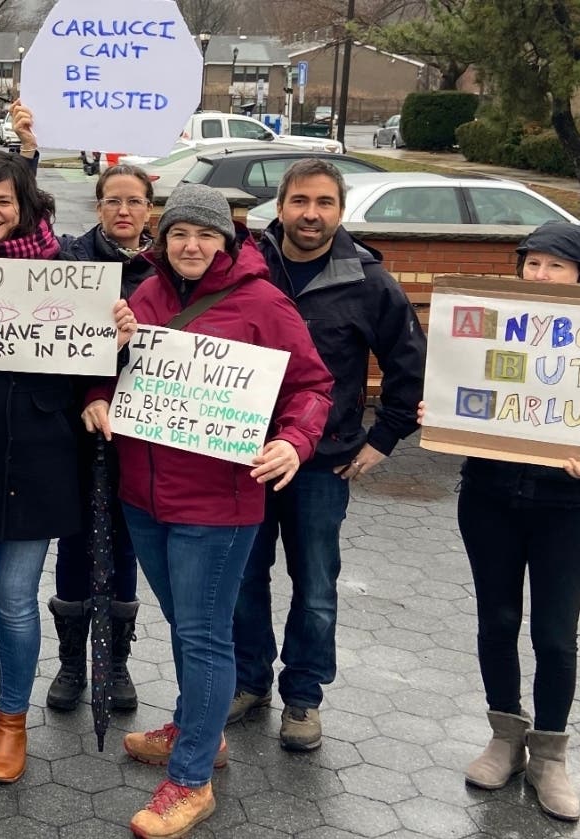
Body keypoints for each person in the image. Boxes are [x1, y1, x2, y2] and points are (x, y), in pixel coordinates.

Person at [82, 183, 333, 838]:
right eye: (178, 234)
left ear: (228, 240)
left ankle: (191, 778)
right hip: (142, 496)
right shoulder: (145, 295)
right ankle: (197, 731)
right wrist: (96, 392)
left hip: (218, 503)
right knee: (186, 623)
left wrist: (293, 439)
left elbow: (311, 384)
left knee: (202, 631)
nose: (189, 246)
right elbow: (109, 368)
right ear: (161, 241)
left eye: (204, 235)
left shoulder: (262, 303)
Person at [0, 118, 137, 785]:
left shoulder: (69, 269)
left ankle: (11, 720)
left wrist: (119, 333)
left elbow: (91, 361)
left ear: (26, 206)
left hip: (41, 453)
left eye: (3, 200)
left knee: (13, 597)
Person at [229, 158, 426, 751]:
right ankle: (248, 680)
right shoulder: (244, 269)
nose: (310, 214)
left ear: (340, 212)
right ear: (280, 207)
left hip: (322, 462)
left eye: (323, 203)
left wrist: (382, 440)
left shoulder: (367, 281)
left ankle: (304, 697)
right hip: (241, 454)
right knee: (241, 577)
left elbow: (407, 365)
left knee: (315, 584)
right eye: (298, 201)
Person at [420, 221, 580, 822]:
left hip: (567, 507)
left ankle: (551, 757)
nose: (540, 276)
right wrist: (439, 405)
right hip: (488, 494)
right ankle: (505, 737)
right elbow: (465, 384)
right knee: (498, 618)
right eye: (532, 264)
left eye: (555, 266)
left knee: (557, 633)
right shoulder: (495, 317)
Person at [45, 162, 158, 713]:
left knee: (125, 540)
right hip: (74, 425)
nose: (123, 210)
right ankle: (72, 660)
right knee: (74, 540)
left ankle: (114, 659)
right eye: (113, 200)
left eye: (133, 201)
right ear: (98, 207)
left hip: (138, 431)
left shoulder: (165, 272)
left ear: (148, 210)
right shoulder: (71, 260)